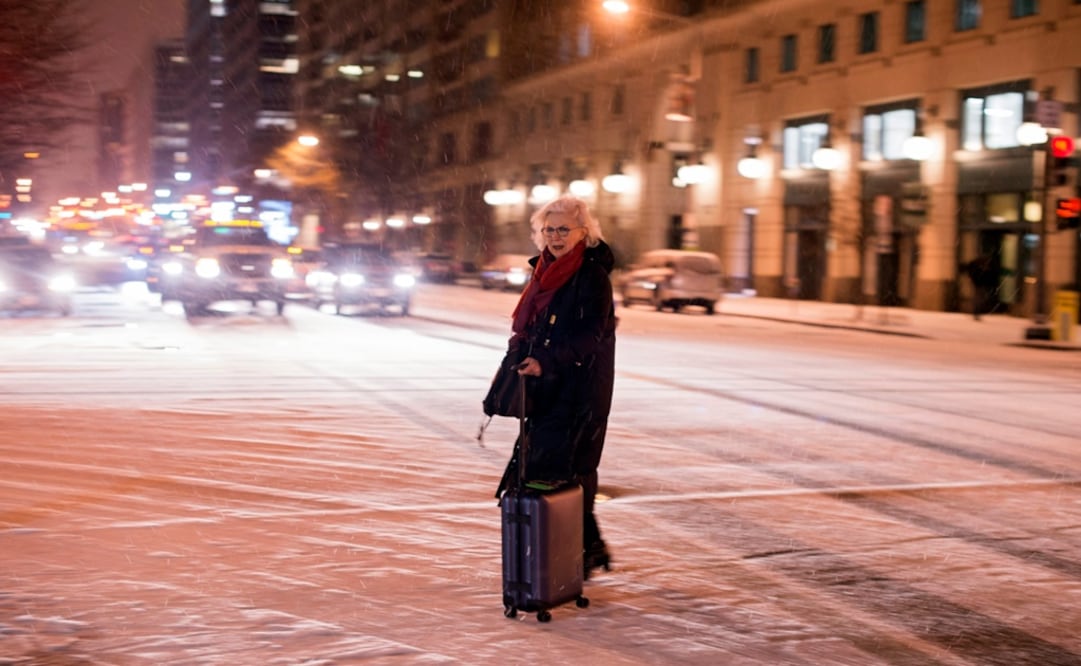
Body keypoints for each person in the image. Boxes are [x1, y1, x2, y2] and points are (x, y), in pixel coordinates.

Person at [496, 194, 617, 578]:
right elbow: (531, 325)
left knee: (570, 468)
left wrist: (546, 359)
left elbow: (591, 335)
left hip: (581, 389)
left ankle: (579, 550)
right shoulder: (543, 270)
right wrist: (518, 354)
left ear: (585, 232)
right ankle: (579, 548)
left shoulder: (591, 275)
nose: (555, 236)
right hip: (547, 385)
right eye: (548, 229)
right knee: (547, 467)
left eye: (564, 229)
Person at [962, 253, 998, 321]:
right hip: (979, 284)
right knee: (979, 298)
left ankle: (977, 312)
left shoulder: (979, 266)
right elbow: (976, 274)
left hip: (979, 284)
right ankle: (976, 312)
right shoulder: (978, 266)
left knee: (979, 298)